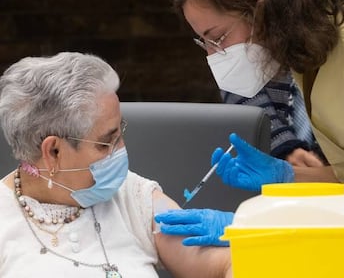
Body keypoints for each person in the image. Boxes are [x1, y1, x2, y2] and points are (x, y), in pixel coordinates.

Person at [155, 0, 344, 255]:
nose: (213, 56)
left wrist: (253, 223)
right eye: (204, 43)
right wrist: (287, 176)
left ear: (262, 12)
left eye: (218, 37)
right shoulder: (314, 57)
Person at [0, 52, 232, 278]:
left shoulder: (134, 196)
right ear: (53, 151)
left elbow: (221, 264)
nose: (121, 150)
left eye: (120, 133)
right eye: (105, 143)